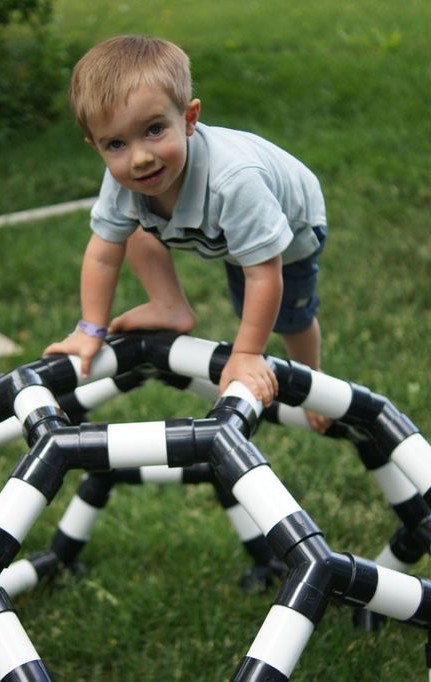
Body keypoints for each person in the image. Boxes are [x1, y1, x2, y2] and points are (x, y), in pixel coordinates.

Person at [44, 35, 329, 430]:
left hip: (292, 228)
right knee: (131, 228)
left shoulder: (234, 182)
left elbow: (264, 272)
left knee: (285, 319)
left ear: (190, 118)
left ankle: (314, 380)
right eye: (116, 144)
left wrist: (247, 354)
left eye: (155, 130)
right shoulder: (126, 181)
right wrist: (90, 330)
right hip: (221, 230)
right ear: (95, 147)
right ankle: (168, 305)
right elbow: (102, 252)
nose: (140, 158)